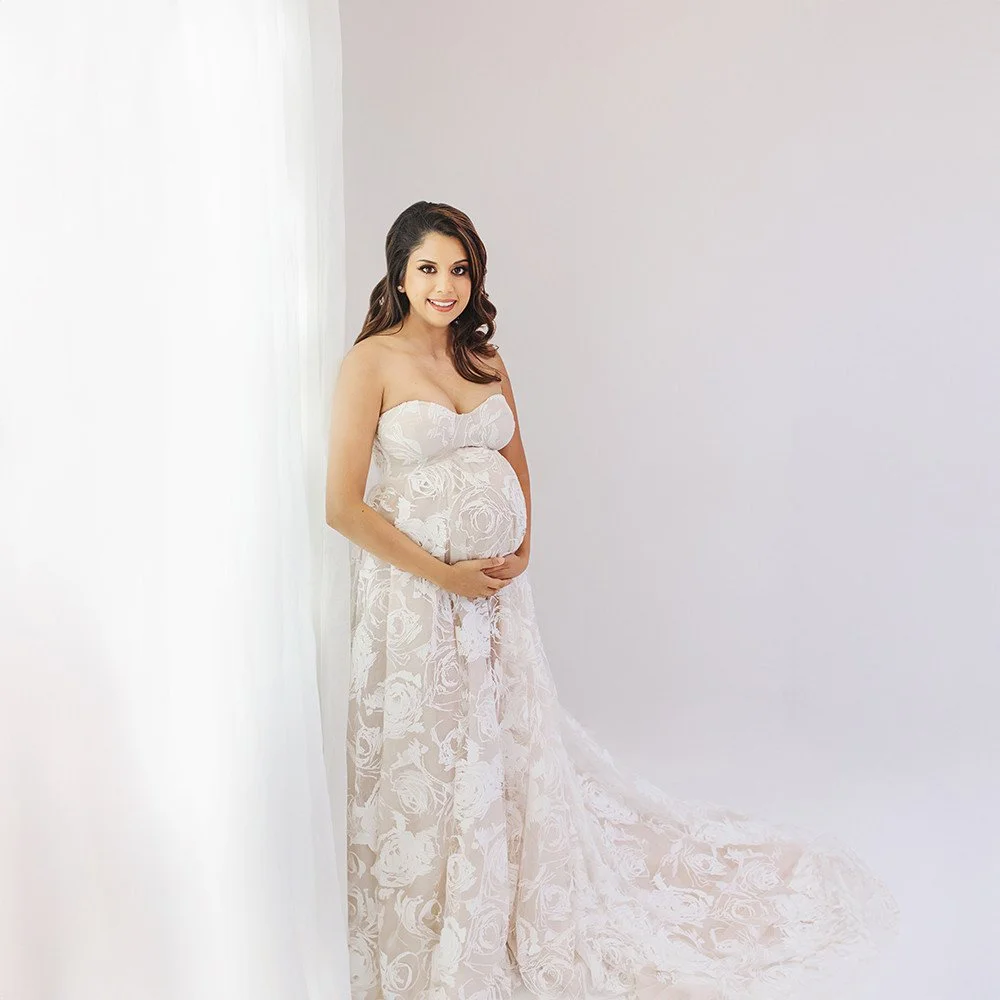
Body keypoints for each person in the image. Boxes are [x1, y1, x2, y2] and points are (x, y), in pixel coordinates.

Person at [324, 201, 899, 1000]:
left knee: (503, 755)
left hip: (492, 609)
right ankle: (439, 927)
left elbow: (518, 464)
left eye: (459, 269)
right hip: (416, 605)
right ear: (398, 274)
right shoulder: (371, 364)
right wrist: (442, 573)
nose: (446, 285)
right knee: (440, 754)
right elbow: (343, 507)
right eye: (429, 268)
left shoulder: (485, 361)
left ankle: (507, 906)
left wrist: (522, 548)